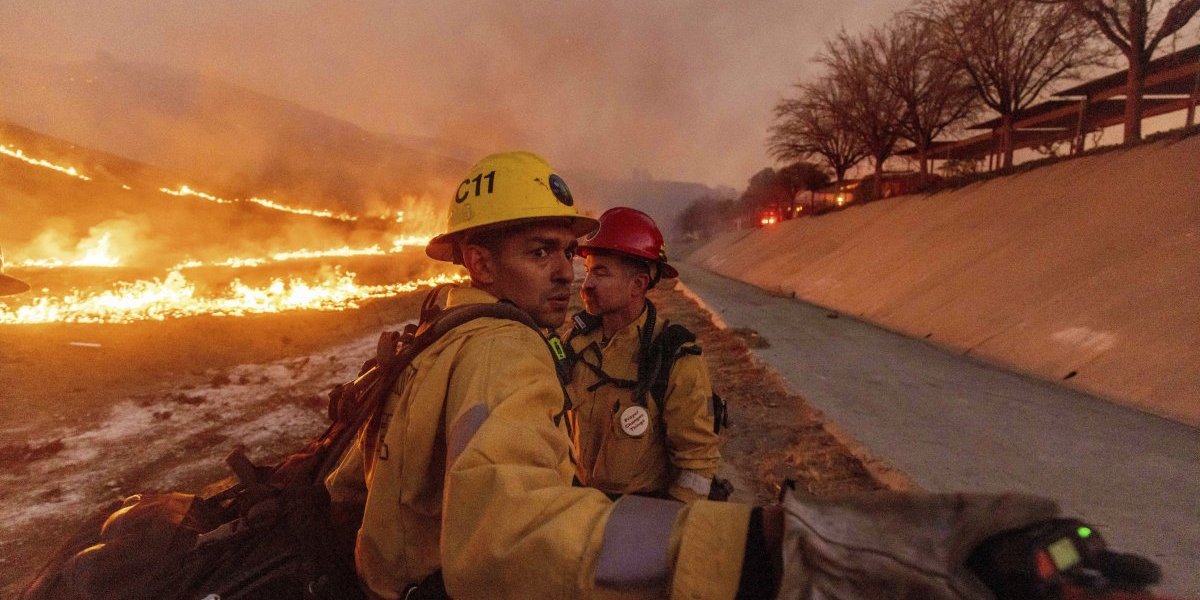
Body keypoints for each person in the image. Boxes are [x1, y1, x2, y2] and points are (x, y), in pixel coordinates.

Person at [325, 150, 1068, 600]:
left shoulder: (440, 336)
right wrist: (756, 553)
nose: (568, 274)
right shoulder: (504, 350)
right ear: (478, 262)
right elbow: (512, 537)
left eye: (571, 253)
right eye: (539, 252)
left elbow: (350, 486)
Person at [564, 207, 724, 501]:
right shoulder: (576, 341)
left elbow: (696, 464)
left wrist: (664, 529)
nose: (586, 284)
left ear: (637, 284)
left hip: (638, 514)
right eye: (587, 271)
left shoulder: (675, 358)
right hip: (577, 508)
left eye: (601, 272)